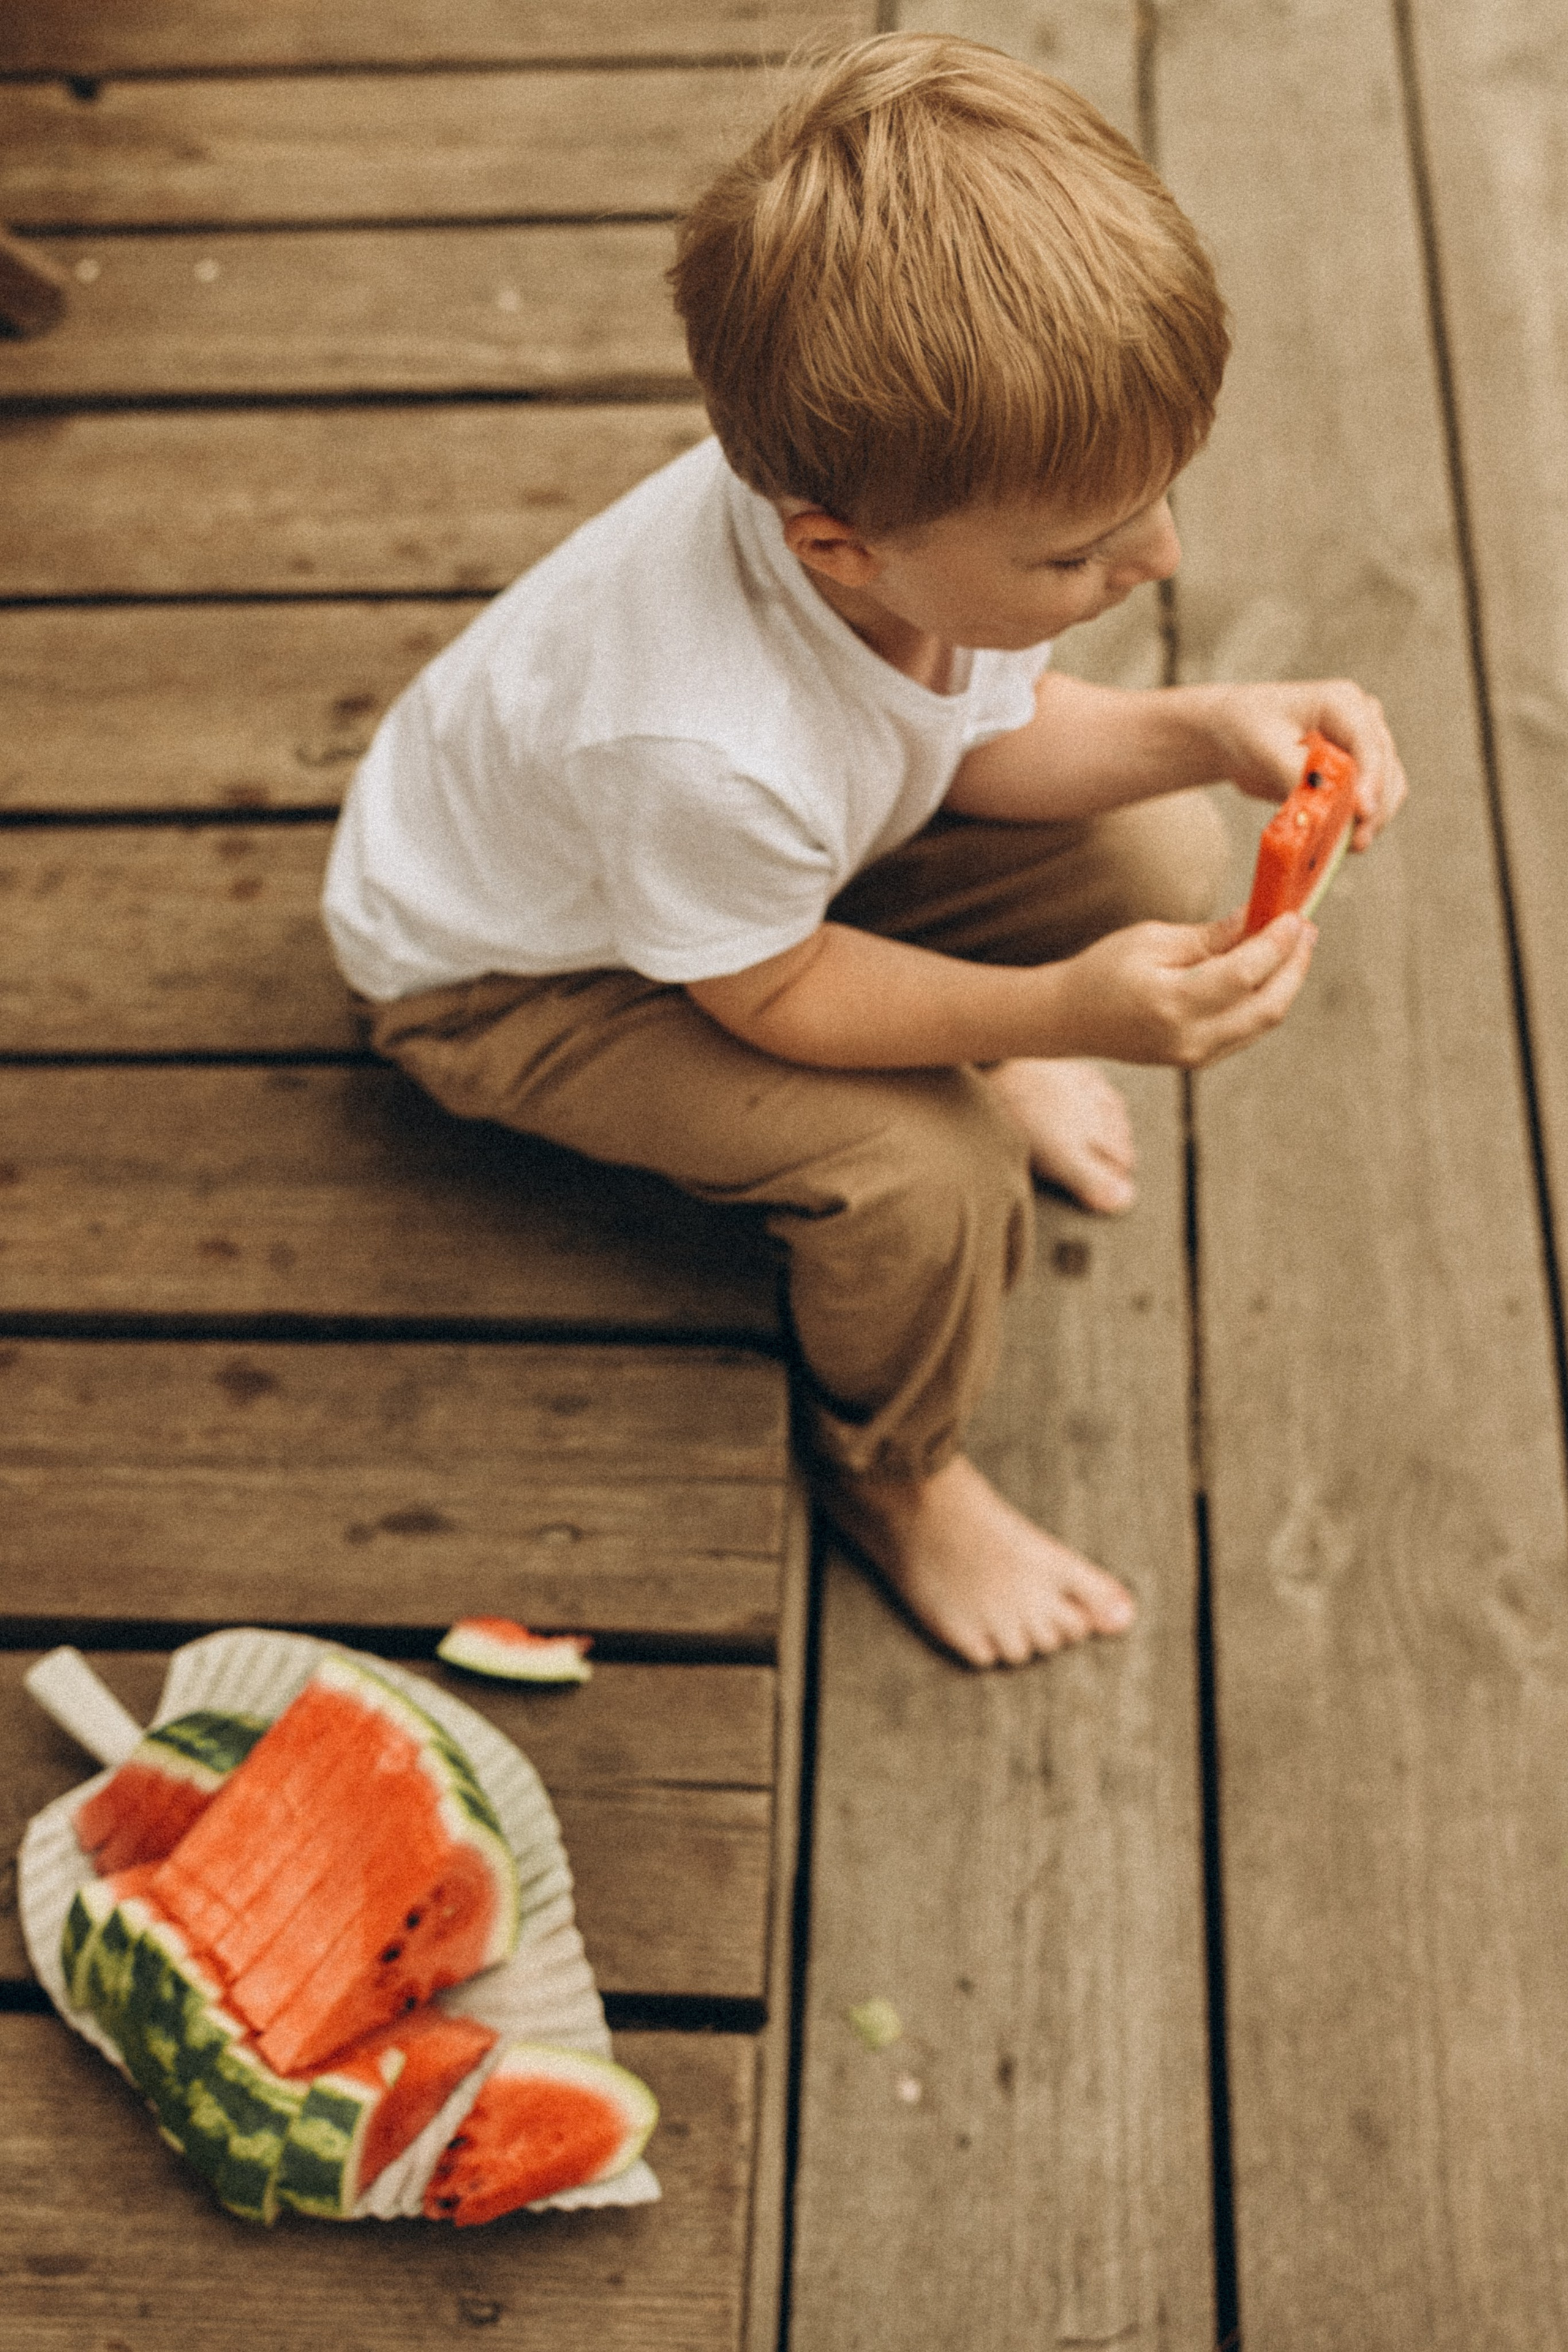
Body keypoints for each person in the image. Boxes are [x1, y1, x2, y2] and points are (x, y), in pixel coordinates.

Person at [322, 34, 1405, 1669]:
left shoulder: (909, 528)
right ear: (841, 547)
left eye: (1159, 498)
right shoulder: (702, 739)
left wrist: (1213, 725)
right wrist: (1053, 1019)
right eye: (1085, 550)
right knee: (928, 1178)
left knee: (1160, 850)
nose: (1161, 557)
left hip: (746, 887)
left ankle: (985, 1029)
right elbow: (778, 996)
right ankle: (897, 1480)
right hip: (521, 980)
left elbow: (983, 735)